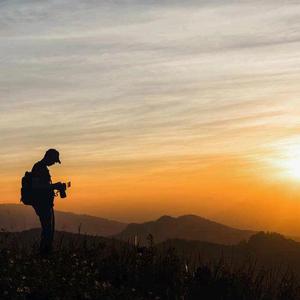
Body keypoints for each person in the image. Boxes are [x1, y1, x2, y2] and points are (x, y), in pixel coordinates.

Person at [31, 149, 64, 256]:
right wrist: (54, 186)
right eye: (54, 161)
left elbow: (43, 186)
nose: (54, 163)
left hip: (46, 203)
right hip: (42, 204)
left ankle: (45, 252)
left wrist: (54, 186)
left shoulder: (43, 168)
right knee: (47, 230)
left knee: (48, 230)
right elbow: (36, 186)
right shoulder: (38, 167)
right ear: (48, 157)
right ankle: (44, 254)